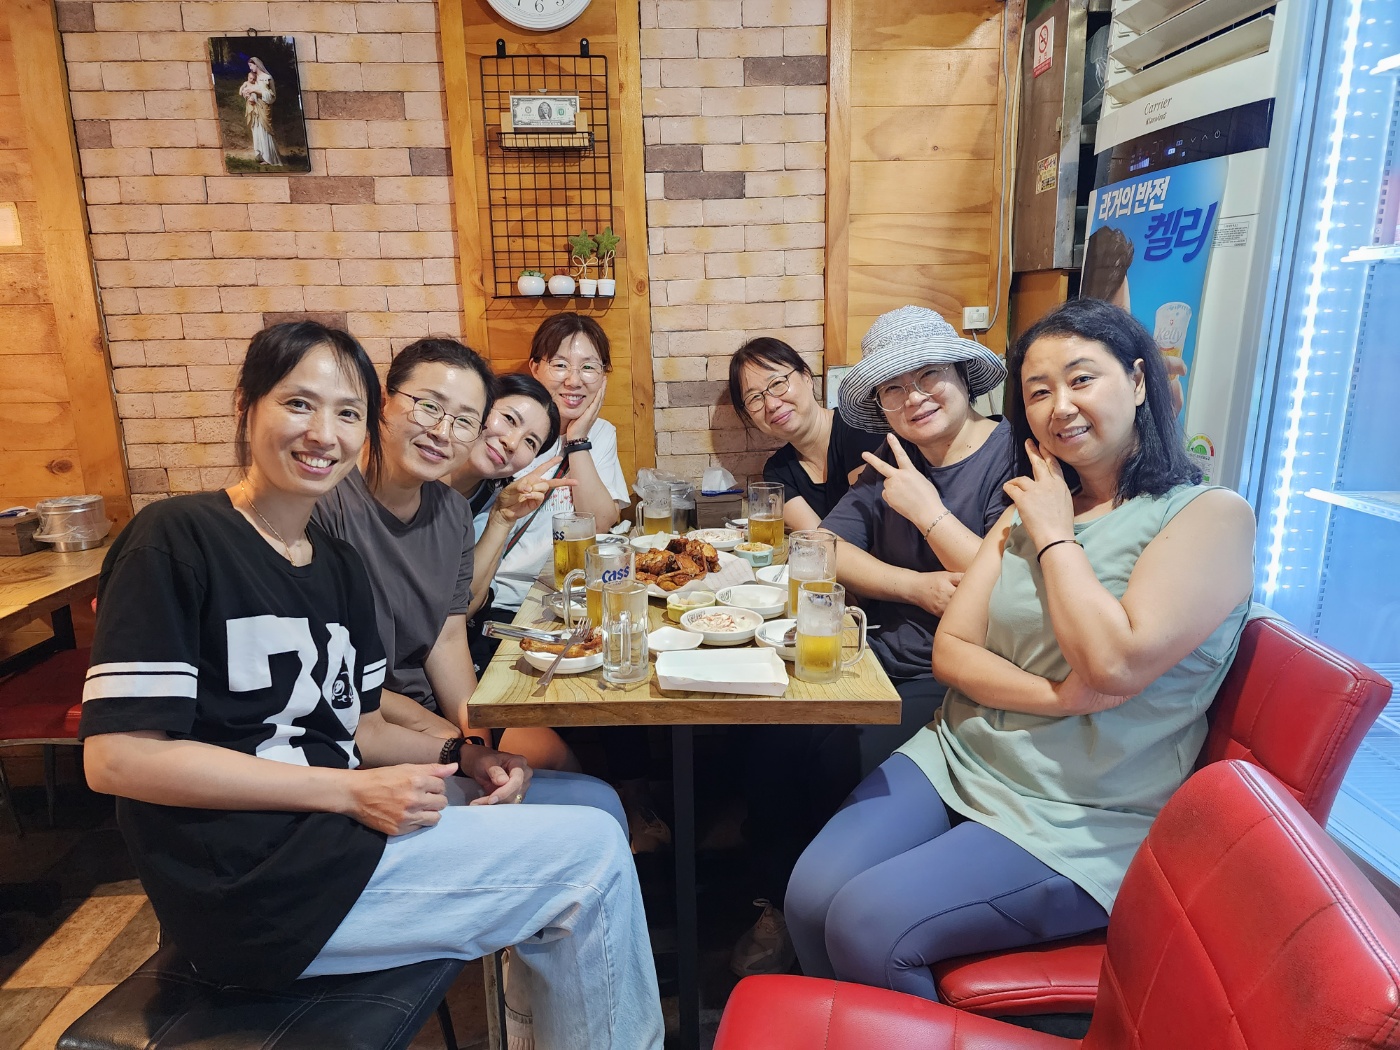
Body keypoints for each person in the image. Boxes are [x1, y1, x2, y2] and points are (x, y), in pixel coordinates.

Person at [78, 321, 664, 1049]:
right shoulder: (177, 537)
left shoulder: (334, 564)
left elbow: (362, 722)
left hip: (336, 844)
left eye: (344, 412)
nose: (323, 433)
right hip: (256, 885)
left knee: (591, 812)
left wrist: (466, 753)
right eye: (299, 404)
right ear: (246, 407)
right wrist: (348, 793)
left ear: (364, 424)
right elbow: (117, 759)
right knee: (590, 858)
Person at [785, 297, 1255, 1001]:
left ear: (1137, 381)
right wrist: (1058, 697)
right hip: (960, 754)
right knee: (808, 896)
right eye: (1038, 391)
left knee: (864, 922)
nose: (1060, 406)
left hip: (1079, 808)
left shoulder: (1207, 515)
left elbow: (1113, 663)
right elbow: (952, 650)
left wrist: (1057, 534)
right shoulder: (1027, 505)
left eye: (1081, 379)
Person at [314, 339, 577, 772]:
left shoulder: (453, 512)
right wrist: (457, 744)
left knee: (568, 770)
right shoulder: (323, 506)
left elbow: (447, 638)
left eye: (463, 421)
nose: (442, 432)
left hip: (431, 710)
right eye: (429, 406)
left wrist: (474, 737)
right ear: (383, 400)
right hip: (352, 724)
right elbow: (325, 670)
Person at [821, 305, 1016, 772]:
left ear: (963, 374)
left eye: (929, 374)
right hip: (876, 654)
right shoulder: (896, 457)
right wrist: (915, 587)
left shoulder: (1012, 457)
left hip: (956, 675)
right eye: (892, 387)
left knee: (837, 760)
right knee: (772, 741)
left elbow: (1008, 587)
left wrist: (927, 512)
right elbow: (823, 548)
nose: (914, 397)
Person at [480, 313, 630, 614]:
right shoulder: (506, 431)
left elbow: (600, 523)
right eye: (560, 365)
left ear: (603, 376)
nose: (574, 381)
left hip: (571, 596)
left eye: (589, 367)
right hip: (501, 598)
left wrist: (578, 440)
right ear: (535, 367)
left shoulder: (601, 433)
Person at [729, 337, 884, 530]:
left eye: (777, 383)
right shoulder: (777, 471)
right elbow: (816, 541)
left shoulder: (858, 427)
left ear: (806, 377)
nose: (771, 404)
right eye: (754, 398)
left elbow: (866, 529)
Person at [238, 57, 282, 166]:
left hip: (264, 108)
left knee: (265, 130)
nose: (250, 68)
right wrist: (248, 96)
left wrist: (255, 90)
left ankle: (270, 158)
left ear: (256, 64)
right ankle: (262, 155)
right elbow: (247, 90)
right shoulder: (253, 78)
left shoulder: (267, 78)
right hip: (255, 109)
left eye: (251, 65)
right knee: (257, 130)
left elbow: (272, 96)